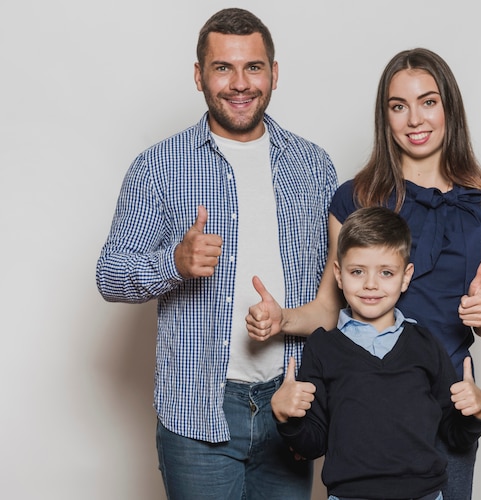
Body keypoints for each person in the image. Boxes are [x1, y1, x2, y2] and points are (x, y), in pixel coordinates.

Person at [247, 48, 481, 499]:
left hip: (448, 400)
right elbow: (328, 310)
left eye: (428, 101)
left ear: (449, 107)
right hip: (365, 401)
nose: (414, 119)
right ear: (385, 116)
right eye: (398, 106)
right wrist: (281, 320)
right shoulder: (353, 197)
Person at [96, 8, 337, 500]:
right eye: (223, 67)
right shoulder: (159, 167)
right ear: (198, 75)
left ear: (274, 72)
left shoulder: (312, 165)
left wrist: (320, 403)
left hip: (290, 401)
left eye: (253, 67)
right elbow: (110, 276)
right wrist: (175, 264)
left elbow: (336, 293)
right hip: (197, 409)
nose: (240, 83)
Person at [271, 207, 481, 500]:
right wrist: (287, 418)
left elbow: (455, 436)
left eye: (386, 272)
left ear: (405, 276)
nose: (371, 284)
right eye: (357, 271)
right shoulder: (322, 348)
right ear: (338, 273)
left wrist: (477, 412)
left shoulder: (426, 344)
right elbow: (313, 444)